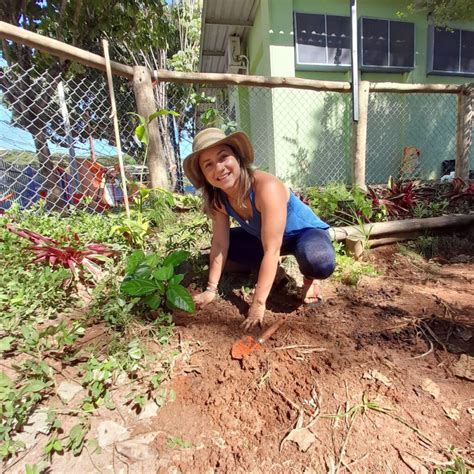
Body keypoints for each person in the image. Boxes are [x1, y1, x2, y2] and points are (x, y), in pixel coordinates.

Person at [183, 128, 336, 330]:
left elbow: (272, 249)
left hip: (303, 234)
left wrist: (258, 304)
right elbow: (221, 243)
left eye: (223, 157)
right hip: (266, 238)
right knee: (223, 247)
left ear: (237, 158)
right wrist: (211, 289)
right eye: (208, 164)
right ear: (203, 174)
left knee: (319, 260)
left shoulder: (266, 187)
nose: (219, 168)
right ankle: (274, 271)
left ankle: (310, 278)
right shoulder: (218, 199)